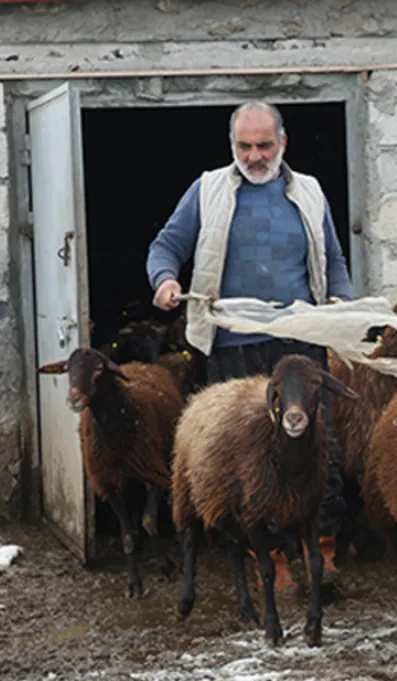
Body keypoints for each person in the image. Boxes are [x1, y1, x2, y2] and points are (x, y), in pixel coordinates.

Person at [146, 101, 354, 596]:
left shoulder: (309, 192)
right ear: (231, 145)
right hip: (233, 343)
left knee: (315, 446)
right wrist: (165, 280)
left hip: (299, 341)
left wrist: (342, 304)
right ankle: (271, 560)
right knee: (247, 454)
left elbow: (334, 259)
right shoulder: (208, 190)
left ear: (284, 143)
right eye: (245, 146)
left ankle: (320, 552)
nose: (255, 155)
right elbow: (165, 246)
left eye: (264, 145)